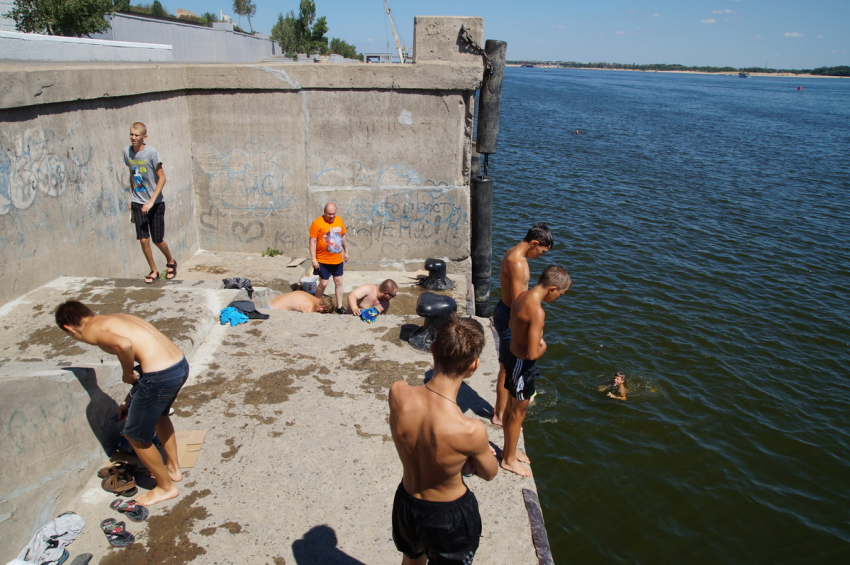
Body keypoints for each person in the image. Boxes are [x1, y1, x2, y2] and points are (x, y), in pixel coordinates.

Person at [389, 315, 499, 564]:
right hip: (448, 516)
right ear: (474, 365)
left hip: (407, 502)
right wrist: (473, 459)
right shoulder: (470, 430)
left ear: (431, 350)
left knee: (411, 559)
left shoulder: (398, 393)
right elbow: (490, 473)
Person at [55, 300, 188, 506]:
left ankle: (165, 487)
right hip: (178, 365)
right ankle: (173, 468)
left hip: (159, 375)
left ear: (68, 328)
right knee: (160, 415)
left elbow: (124, 345)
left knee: (135, 436)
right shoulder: (114, 318)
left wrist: (127, 374)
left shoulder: (89, 330)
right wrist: (131, 400)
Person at [501, 266, 571, 477]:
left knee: (510, 407)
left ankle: (509, 450)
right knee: (518, 412)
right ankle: (509, 460)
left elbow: (512, 325)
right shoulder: (537, 311)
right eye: (560, 294)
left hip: (512, 358)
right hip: (523, 365)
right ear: (552, 288)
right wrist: (544, 345)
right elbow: (532, 353)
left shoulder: (522, 296)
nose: (559, 298)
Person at [491, 223, 553, 426]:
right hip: (510, 316)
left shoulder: (513, 252)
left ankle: (499, 411)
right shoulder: (517, 262)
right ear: (534, 243)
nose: (541, 256)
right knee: (507, 368)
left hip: (505, 311)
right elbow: (518, 301)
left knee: (504, 366)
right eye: (541, 252)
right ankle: (500, 415)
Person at [123, 122, 177, 284]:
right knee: (143, 239)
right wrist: (132, 198)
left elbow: (162, 178)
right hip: (138, 202)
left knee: (157, 239)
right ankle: (153, 269)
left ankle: (171, 261)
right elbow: (132, 175)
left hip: (156, 203)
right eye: (131, 134)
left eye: (137, 135)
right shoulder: (127, 153)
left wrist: (151, 201)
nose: (133, 137)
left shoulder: (151, 153)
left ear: (144, 137)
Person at [309, 203, 349, 314]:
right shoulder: (317, 223)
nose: (331, 216)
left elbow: (343, 237)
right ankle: (316, 302)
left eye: (333, 214)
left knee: (339, 281)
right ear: (324, 212)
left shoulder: (339, 220)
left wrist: (346, 252)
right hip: (323, 260)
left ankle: (339, 306)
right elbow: (312, 242)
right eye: (329, 214)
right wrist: (313, 260)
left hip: (337, 259)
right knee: (324, 284)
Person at [269, 291, 334, 313]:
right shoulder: (309, 306)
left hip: (271, 302)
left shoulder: (309, 296)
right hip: (271, 310)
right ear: (321, 308)